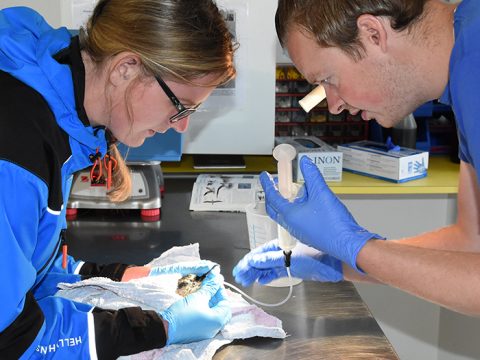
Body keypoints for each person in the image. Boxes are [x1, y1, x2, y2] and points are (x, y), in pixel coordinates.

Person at [0, 0, 236, 358]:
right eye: (181, 106)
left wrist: (125, 276)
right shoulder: (16, 145)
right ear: (126, 68)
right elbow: (12, 339)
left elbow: (29, 264)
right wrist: (160, 328)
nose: (183, 125)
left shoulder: (59, 108)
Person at [233, 0, 480, 316]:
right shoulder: (464, 61)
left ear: (373, 34)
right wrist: (343, 262)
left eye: (329, 79)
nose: (333, 105)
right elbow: (470, 241)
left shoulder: (475, 63)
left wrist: (358, 249)